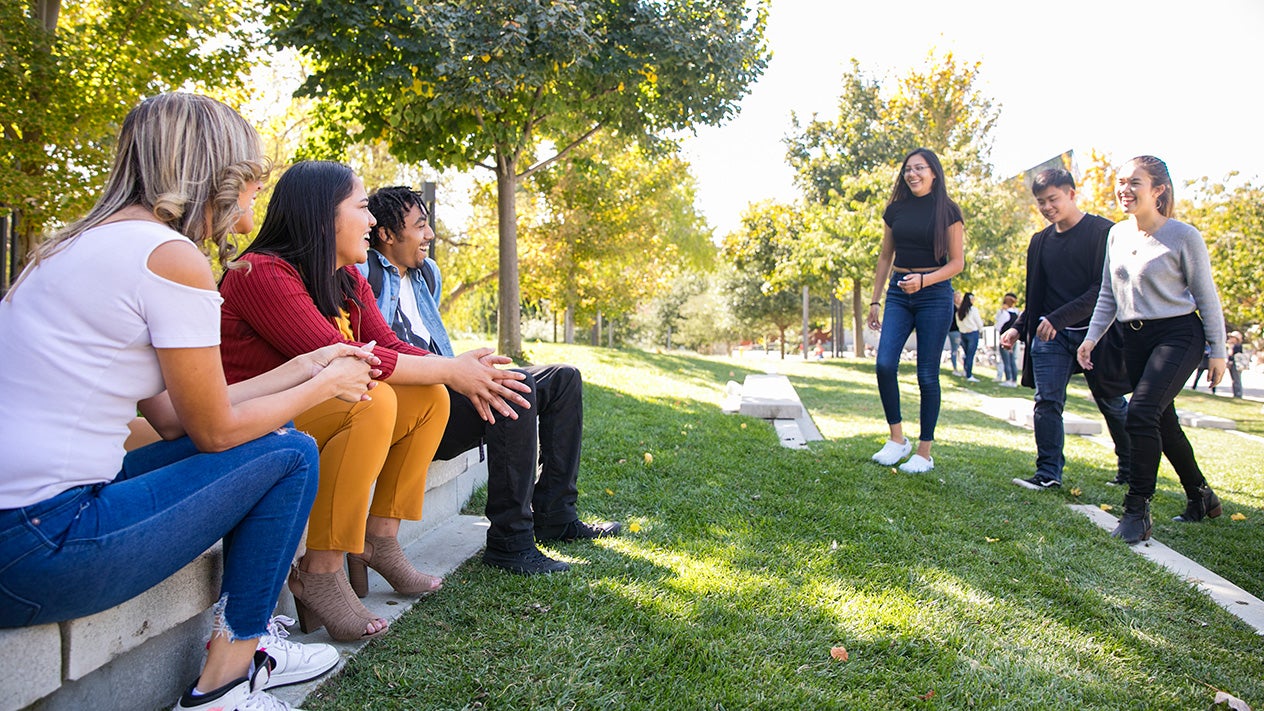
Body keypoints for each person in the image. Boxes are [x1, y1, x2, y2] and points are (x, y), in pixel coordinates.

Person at [0, 93, 372, 711]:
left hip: (25, 527)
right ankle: (225, 684)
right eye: (250, 181)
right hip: (41, 547)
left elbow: (173, 415)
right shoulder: (171, 259)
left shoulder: (75, 246)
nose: (253, 203)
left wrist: (303, 367)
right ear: (214, 175)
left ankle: (246, 651)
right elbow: (215, 434)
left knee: (277, 445)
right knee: (292, 454)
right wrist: (322, 386)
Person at [219, 161, 533, 640]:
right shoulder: (263, 273)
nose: (371, 222)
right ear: (322, 216)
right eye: (362, 208)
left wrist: (455, 371)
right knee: (371, 399)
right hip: (252, 425)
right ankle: (320, 570)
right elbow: (343, 362)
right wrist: (450, 368)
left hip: (302, 417)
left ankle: (379, 539)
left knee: (429, 397)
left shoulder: (345, 279)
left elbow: (388, 344)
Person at [361, 186, 621, 575]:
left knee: (563, 378)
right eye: (420, 226)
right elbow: (384, 350)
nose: (430, 235)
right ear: (386, 234)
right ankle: (510, 542)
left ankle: (554, 513)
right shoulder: (365, 272)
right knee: (514, 387)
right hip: (416, 407)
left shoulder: (427, 274)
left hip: (446, 388)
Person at [1078, 156, 1226, 543]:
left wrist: (1218, 350)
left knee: (1140, 413)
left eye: (1135, 182)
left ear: (1158, 189)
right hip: (1135, 337)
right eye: (1121, 181)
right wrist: (1091, 337)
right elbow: (1110, 294)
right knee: (1163, 421)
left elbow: (1206, 297)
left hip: (1179, 334)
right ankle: (1201, 496)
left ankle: (1136, 511)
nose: (1124, 189)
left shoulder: (1183, 236)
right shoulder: (1117, 235)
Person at [1000, 168, 1132, 490]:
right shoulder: (1040, 242)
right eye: (1041, 202)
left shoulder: (1104, 232)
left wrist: (1056, 318)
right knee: (1047, 401)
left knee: (1111, 401)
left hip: (1096, 334)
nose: (1047, 207)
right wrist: (1019, 327)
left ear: (1072, 194)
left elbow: (1102, 289)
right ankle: (1048, 473)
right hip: (1051, 337)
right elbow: (1038, 295)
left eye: (1053, 199)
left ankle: (1132, 468)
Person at [867, 148, 965, 473]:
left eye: (920, 168)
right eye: (908, 169)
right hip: (898, 292)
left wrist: (924, 281)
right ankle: (898, 440)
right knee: (884, 364)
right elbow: (885, 257)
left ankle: (924, 452)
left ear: (934, 173)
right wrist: (875, 300)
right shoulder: (895, 210)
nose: (913, 174)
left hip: (934, 294)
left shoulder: (949, 211)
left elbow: (956, 263)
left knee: (926, 374)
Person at [955, 292, 984, 382]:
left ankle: (965, 370)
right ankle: (969, 375)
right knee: (970, 355)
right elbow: (979, 322)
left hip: (963, 334)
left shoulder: (959, 311)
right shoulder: (973, 310)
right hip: (972, 333)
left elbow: (958, 323)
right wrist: (981, 329)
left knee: (966, 354)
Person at [995, 292, 1020, 386]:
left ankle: (1008, 379)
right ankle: (1014, 380)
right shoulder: (1016, 313)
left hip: (1005, 338)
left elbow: (998, 326)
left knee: (1006, 360)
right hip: (1014, 339)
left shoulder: (1005, 314)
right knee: (1012, 359)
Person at [946, 295, 964, 376]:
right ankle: (955, 369)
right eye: (958, 297)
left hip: (956, 330)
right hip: (954, 331)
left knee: (958, 350)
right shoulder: (954, 307)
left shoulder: (956, 307)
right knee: (955, 350)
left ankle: (961, 368)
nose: (960, 299)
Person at [1227, 331, 1245, 398]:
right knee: (1234, 379)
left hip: (1236, 364)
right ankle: (1236, 393)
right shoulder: (1236, 345)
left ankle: (1238, 394)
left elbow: (1230, 353)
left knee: (1236, 379)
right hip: (1233, 364)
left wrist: (1230, 347)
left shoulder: (1237, 346)